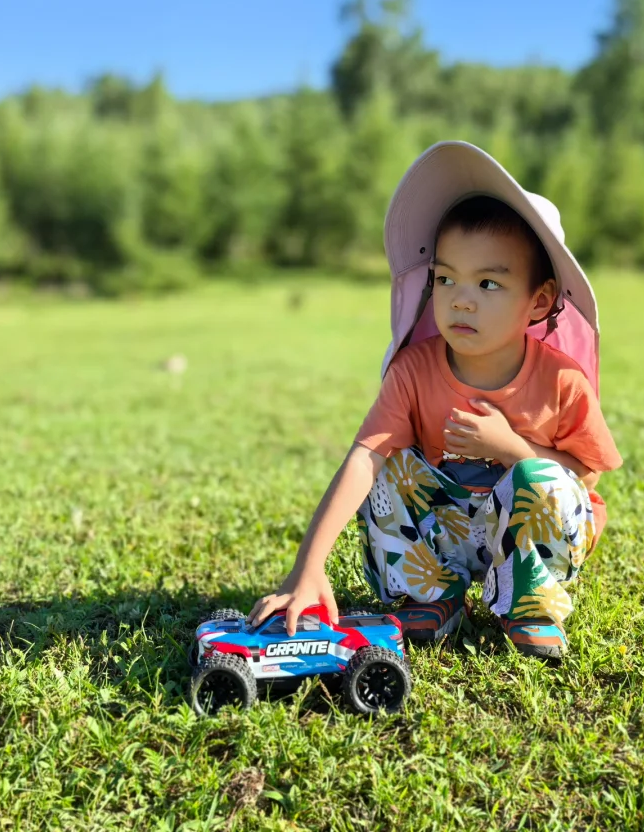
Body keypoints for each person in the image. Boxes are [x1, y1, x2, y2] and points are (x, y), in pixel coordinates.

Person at [249, 141, 622, 659]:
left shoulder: (562, 381)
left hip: (519, 538)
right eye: (446, 278)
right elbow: (364, 459)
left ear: (539, 300)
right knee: (390, 466)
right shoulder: (414, 370)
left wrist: (513, 447)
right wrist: (308, 566)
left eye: (488, 282)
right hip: (444, 533)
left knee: (543, 479)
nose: (460, 298)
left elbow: (584, 476)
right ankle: (428, 595)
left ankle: (529, 604)